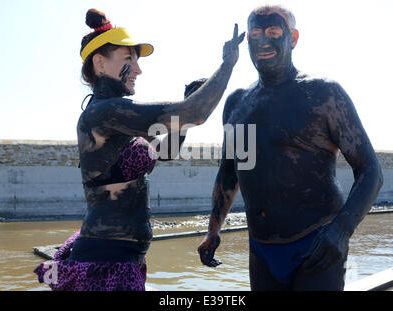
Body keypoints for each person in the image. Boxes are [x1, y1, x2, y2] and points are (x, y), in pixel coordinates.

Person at [34, 8, 244, 291]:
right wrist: (228, 64)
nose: (138, 69)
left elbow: (165, 150)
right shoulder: (102, 113)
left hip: (123, 258)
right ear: (99, 63)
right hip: (106, 262)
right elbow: (195, 113)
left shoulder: (118, 120)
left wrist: (182, 115)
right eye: (128, 59)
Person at [197, 4, 383, 291]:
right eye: (256, 33)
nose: (264, 41)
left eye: (273, 32)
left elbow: (370, 171)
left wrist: (340, 232)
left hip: (316, 243)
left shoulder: (323, 94)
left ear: (293, 38)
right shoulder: (238, 103)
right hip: (261, 247)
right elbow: (231, 172)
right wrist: (213, 230)